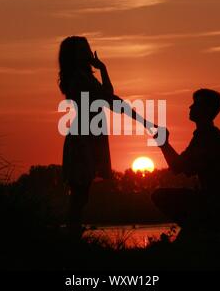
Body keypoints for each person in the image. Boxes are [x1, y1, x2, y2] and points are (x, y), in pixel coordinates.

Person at [58, 36, 154, 236]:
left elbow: (108, 97)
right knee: (79, 193)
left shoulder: (84, 76)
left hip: (90, 135)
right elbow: (109, 98)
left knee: (81, 194)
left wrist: (102, 69)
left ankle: (72, 234)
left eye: (87, 48)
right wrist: (144, 122)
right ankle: (71, 236)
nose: (87, 52)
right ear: (73, 55)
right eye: (83, 49)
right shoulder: (78, 78)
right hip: (84, 138)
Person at [152, 89, 220, 234]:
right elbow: (180, 166)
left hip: (216, 203)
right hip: (217, 201)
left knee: (159, 196)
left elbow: (178, 167)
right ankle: (197, 231)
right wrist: (164, 144)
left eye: (196, 104)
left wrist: (164, 144)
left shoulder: (208, 138)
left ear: (207, 109)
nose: (190, 107)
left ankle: (197, 231)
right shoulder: (204, 136)